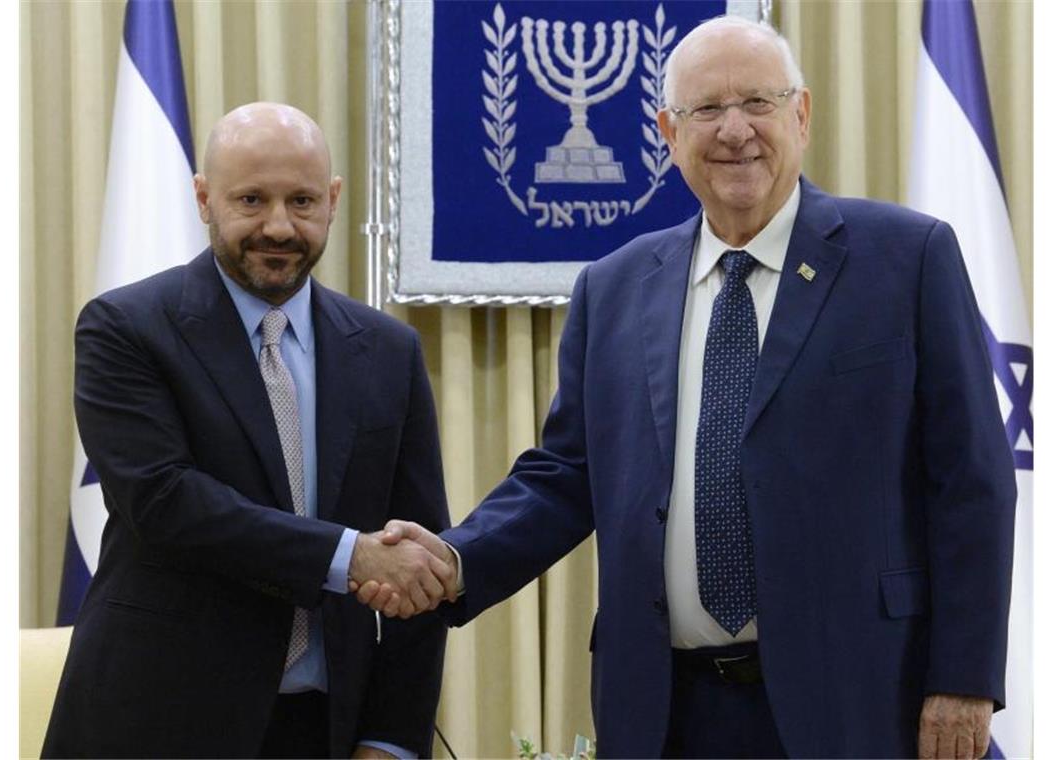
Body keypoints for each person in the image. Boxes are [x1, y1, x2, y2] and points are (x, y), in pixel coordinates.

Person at [357, 16, 1016, 760]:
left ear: (800, 114)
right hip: (668, 713)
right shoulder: (614, 288)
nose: (735, 130)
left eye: (758, 103)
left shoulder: (906, 259)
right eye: (707, 110)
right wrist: (455, 560)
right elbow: (566, 476)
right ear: (670, 133)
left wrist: (963, 677)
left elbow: (972, 481)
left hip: (863, 698)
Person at [42, 102, 455, 759]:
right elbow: (166, 503)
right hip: (156, 725)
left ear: (334, 200)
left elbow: (416, 554)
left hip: (326, 731)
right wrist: (352, 556)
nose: (279, 226)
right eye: (252, 200)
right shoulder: (126, 328)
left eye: (302, 200)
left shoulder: (389, 351)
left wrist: (392, 739)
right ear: (204, 199)